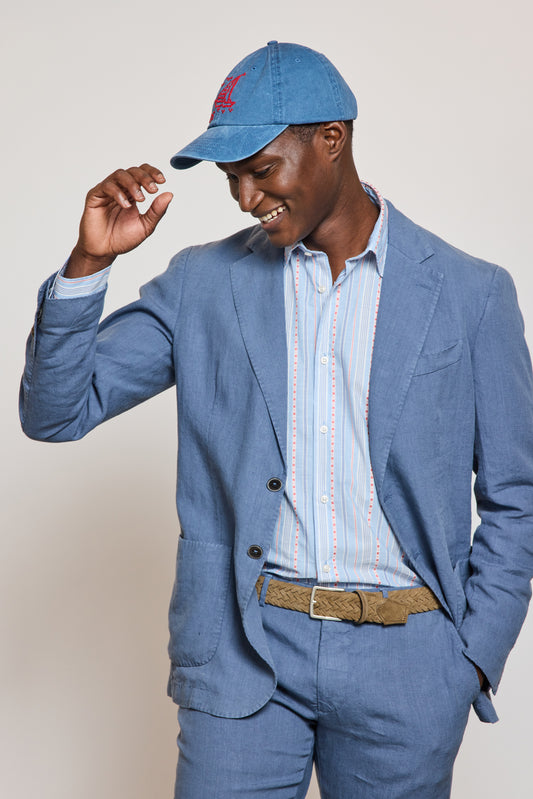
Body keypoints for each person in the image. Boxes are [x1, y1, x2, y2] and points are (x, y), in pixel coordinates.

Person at [20, 41, 533, 798]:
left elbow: (518, 494)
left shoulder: (470, 293)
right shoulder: (203, 283)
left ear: (332, 139)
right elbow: (55, 412)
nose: (245, 198)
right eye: (231, 178)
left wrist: (470, 657)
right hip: (244, 651)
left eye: (261, 170)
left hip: (408, 662)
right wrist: (89, 263)